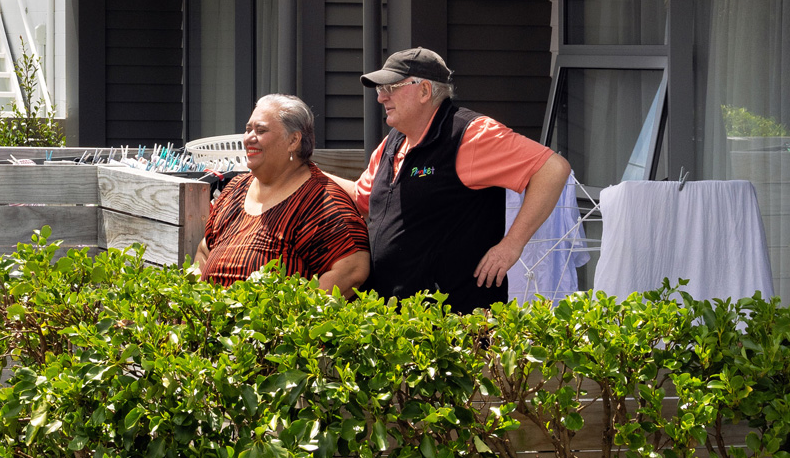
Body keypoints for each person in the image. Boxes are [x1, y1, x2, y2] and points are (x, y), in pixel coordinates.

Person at [354, 47, 570, 313]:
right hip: (395, 320)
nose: (381, 97)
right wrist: (311, 172)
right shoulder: (394, 141)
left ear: (424, 91)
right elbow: (361, 198)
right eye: (380, 89)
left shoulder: (470, 134)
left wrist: (512, 245)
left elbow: (553, 168)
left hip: (454, 322)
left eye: (391, 87)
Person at [192, 95, 370, 295]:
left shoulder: (321, 202)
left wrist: (298, 311)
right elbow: (204, 250)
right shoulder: (235, 189)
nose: (249, 138)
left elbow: (352, 270)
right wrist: (195, 300)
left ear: (293, 140)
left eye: (261, 131)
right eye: (248, 129)